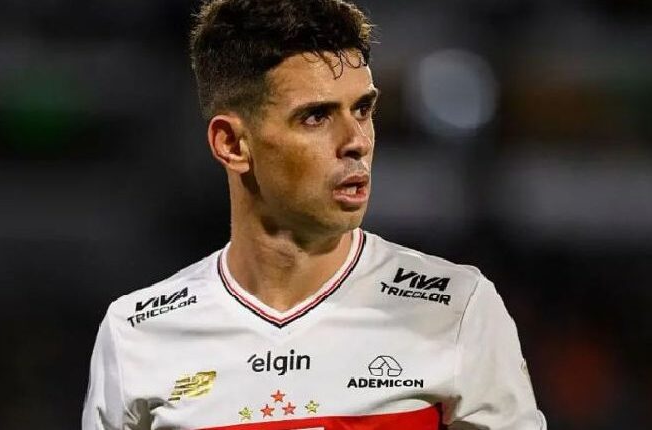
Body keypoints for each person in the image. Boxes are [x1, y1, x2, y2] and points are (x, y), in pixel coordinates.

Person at [82, 0, 547, 428]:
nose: (356, 141)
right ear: (232, 144)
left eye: (362, 109)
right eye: (316, 116)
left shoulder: (456, 310)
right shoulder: (136, 334)